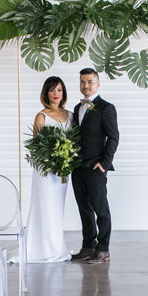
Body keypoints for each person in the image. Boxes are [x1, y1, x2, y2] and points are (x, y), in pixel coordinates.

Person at [71, 68, 119, 264]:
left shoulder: (107, 108)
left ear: (97, 84)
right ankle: (88, 246)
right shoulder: (77, 108)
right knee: (84, 208)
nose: (86, 85)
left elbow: (114, 138)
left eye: (90, 82)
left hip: (95, 167)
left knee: (100, 208)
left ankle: (103, 248)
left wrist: (104, 164)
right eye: (83, 82)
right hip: (77, 167)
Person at [24, 76, 72, 263]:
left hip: (63, 172)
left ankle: (56, 246)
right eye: (52, 90)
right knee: (44, 207)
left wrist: (64, 160)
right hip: (45, 172)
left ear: (63, 92)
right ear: (46, 93)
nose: (56, 94)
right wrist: (51, 160)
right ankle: (41, 249)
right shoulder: (41, 116)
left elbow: (74, 142)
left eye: (59, 90)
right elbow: (36, 147)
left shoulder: (71, 115)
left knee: (57, 209)